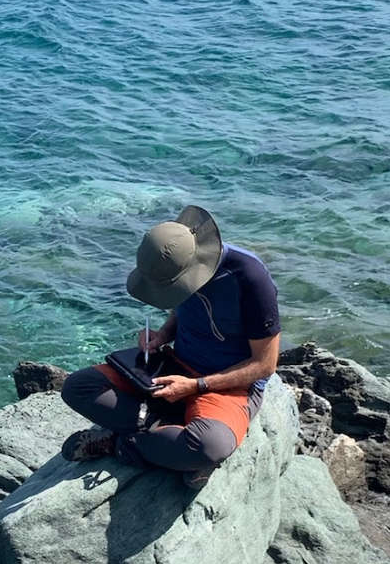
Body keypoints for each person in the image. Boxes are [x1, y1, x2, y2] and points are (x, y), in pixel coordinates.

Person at [59, 205, 280, 488]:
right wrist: (163, 335)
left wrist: (196, 386)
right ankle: (164, 436)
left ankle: (122, 443)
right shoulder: (178, 268)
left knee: (208, 446)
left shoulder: (249, 278)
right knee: (77, 387)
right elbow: (184, 303)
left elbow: (265, 364)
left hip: (228, 385)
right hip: (174, 365)